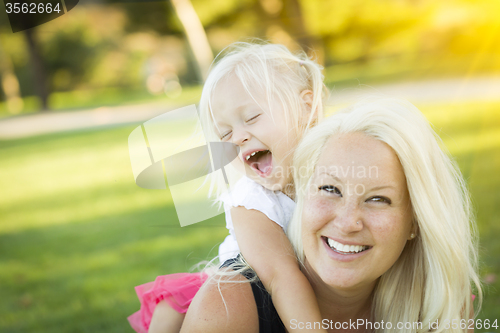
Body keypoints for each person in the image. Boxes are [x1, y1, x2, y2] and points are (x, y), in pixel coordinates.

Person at [181, 98, 482, 333]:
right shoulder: (228, 307)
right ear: (300, 194)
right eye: (330, 189)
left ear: (415, 221)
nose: (347, 221)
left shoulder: (438, 304)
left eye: (378, 199)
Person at [128, 41, 329, 333]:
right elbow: (280, 276)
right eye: (225, 133)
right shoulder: (252, 199)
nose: (237, 138)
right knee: (170, 313)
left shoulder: (336, 171)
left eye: (252, 118)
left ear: (306, 105)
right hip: (242, 291)